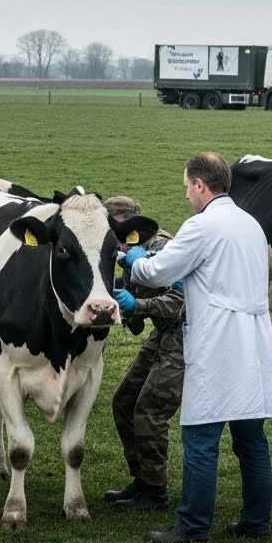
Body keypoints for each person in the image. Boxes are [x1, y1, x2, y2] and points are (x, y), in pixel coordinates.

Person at [123, 152, 272, 543]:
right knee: (251, 440)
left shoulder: (201, 226)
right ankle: (256, 522)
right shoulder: (250, 225)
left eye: (187, 187)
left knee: (200, 438)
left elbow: (156, 272)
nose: (187, 196)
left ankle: (192, 526)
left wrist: (138, 259)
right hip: (254, 341)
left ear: (200, 185)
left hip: (217, 340)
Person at [102, 196, 184, 512]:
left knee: (149, 410)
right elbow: (135, 324)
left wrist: (138, 305)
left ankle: (156, 492)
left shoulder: (164, 248)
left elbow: (179, 302)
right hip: (162, 335)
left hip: (183, 337)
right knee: (123, 401)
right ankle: (142, 480)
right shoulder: (126, 253)